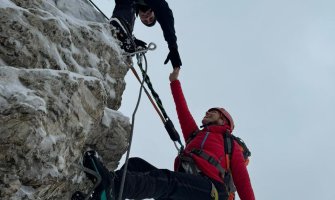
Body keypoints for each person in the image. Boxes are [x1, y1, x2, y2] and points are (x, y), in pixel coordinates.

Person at [72, 68, 255, 200]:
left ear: (223, 120)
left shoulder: (228, 143)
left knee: (167, 181)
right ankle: (106, 194)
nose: (207, 113)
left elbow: (242, 179)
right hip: (190, 188)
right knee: (135, 165)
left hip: (212, 191)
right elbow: (183, 111)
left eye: (213, 112)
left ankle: (112, 187)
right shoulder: (195, 136)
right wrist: (174, 82)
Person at [110, 0, 182, 68]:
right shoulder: (157, 3)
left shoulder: (132, 5)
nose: (147, 18)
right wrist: (173, 47)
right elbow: (165, 16)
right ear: (154, 12)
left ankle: (123, 28)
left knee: (128, 5)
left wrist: (130, 39)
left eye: (145, 20)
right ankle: (123, 23)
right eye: (151, 18)